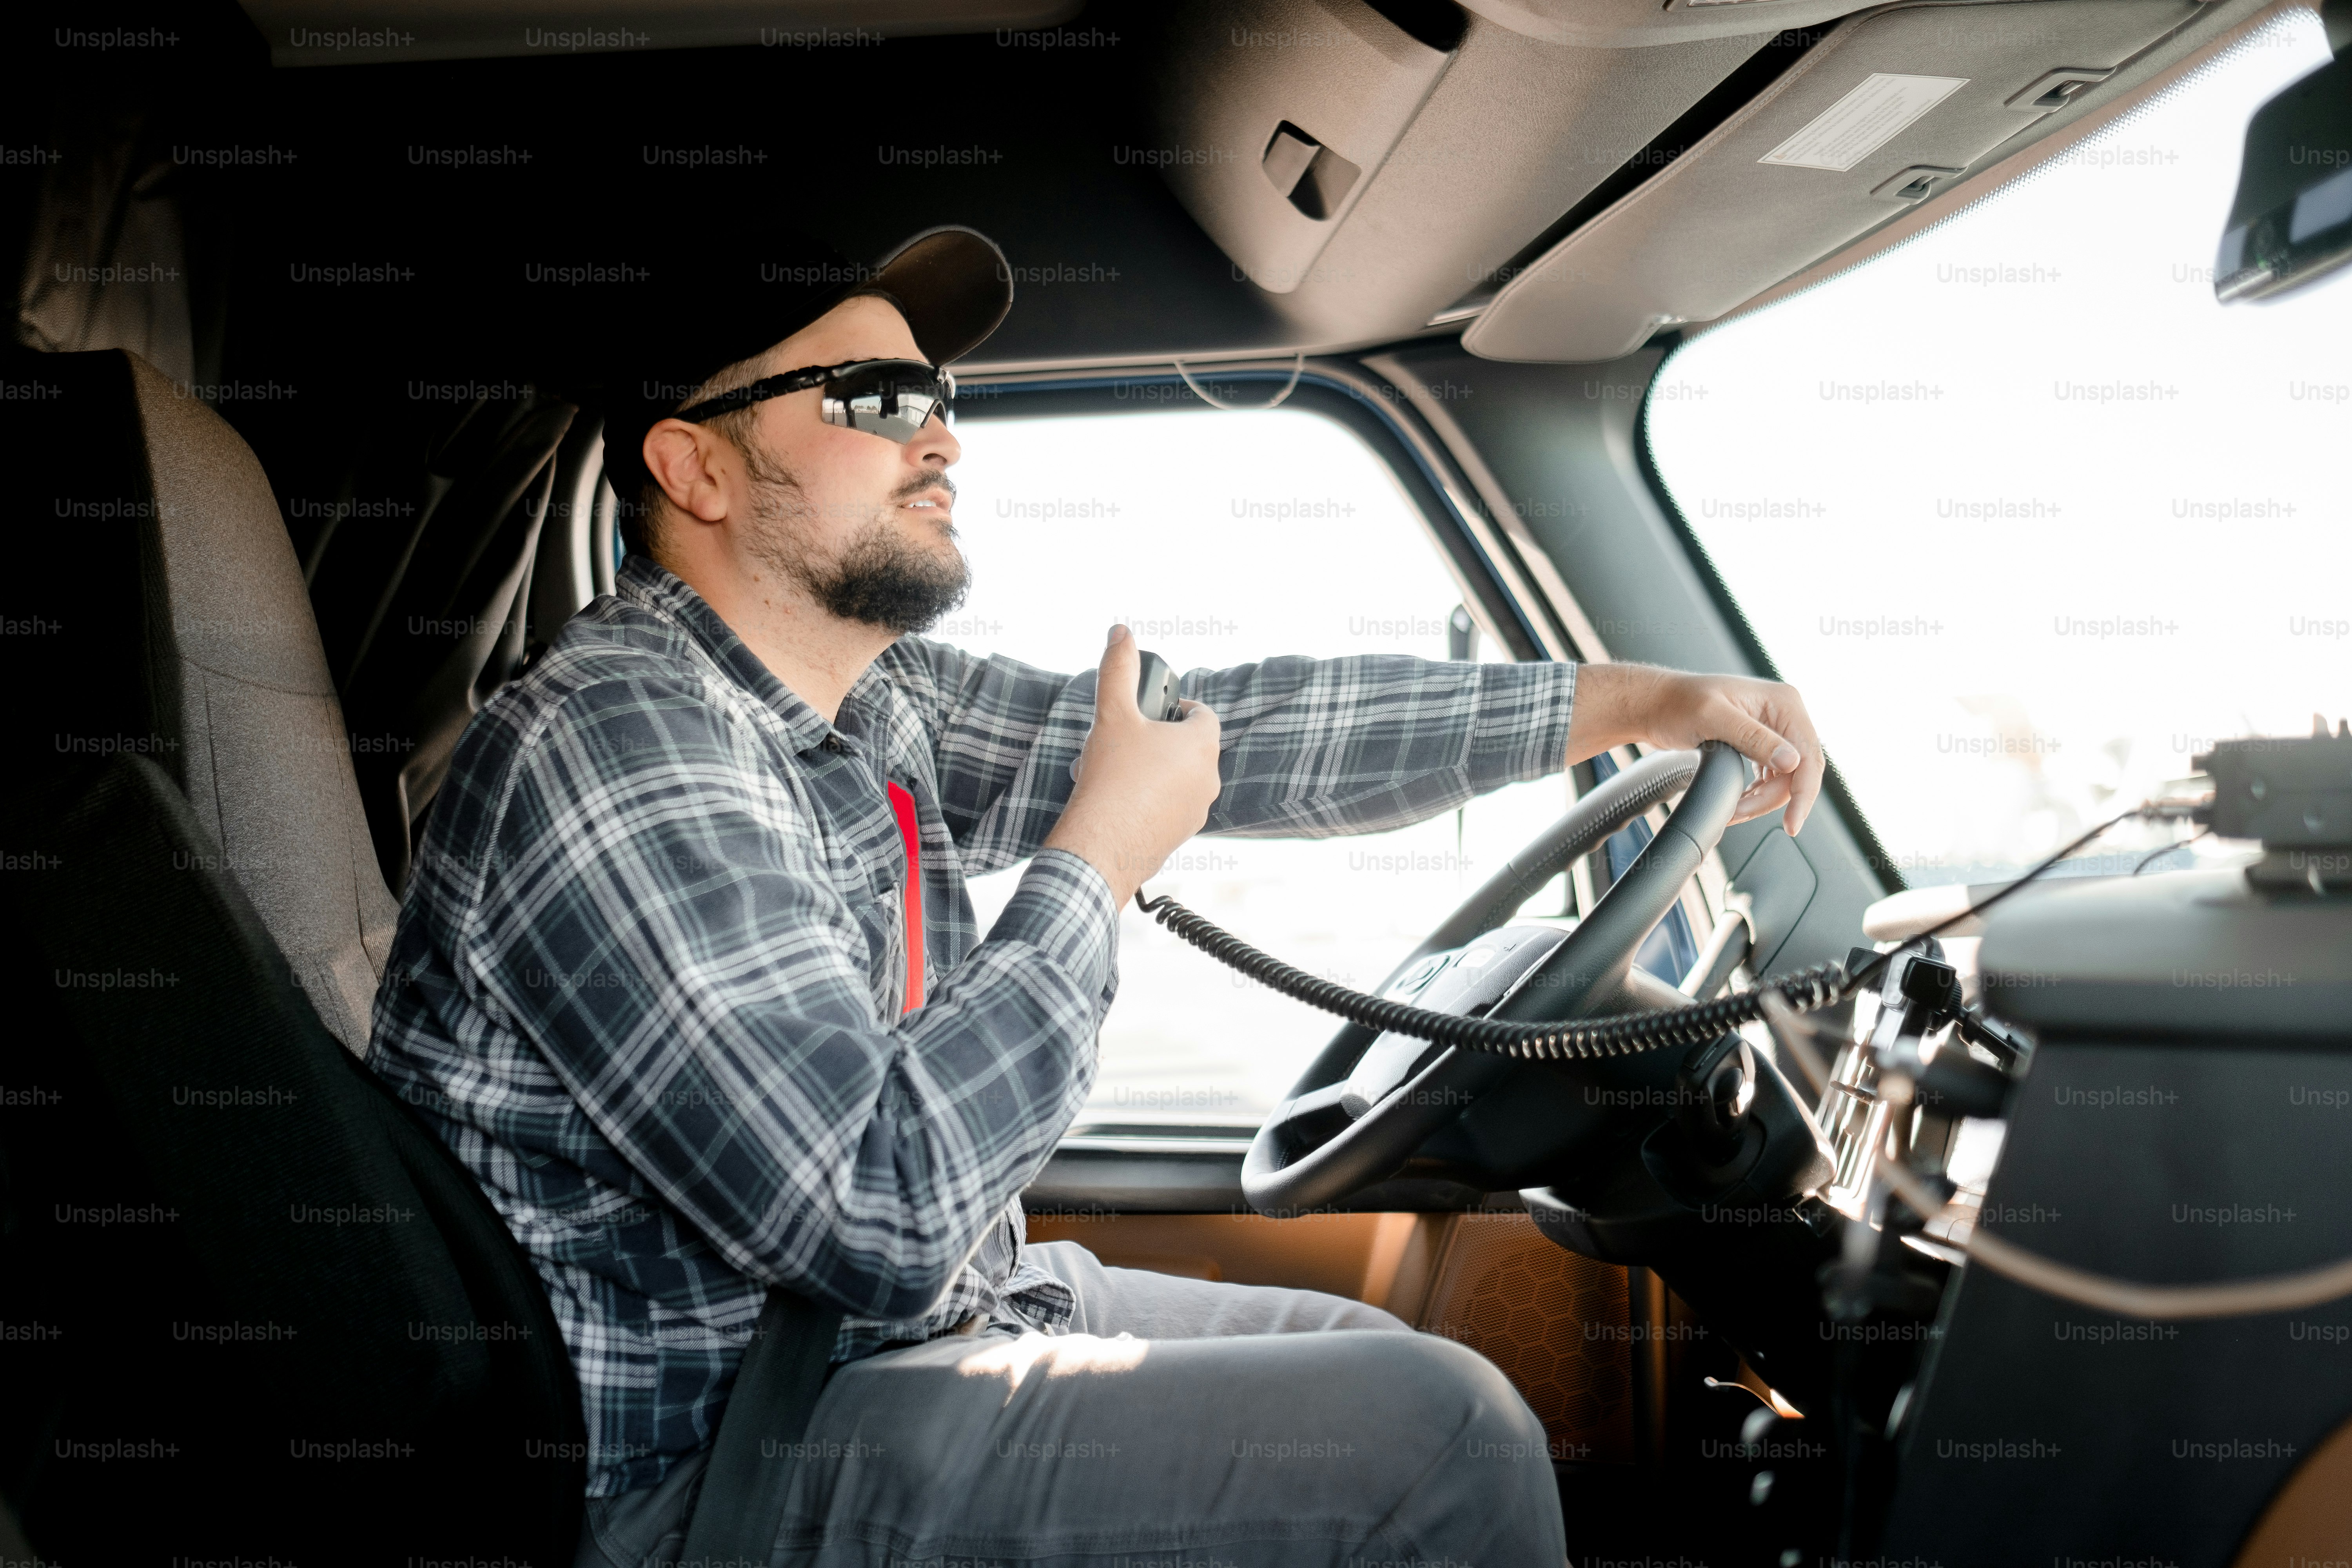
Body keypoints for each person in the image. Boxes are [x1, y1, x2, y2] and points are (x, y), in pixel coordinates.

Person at [368, 225, 1825, 1568]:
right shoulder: (617, 746)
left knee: (1389, 1362)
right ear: (695, 470)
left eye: (938, 396)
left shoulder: (872, 703)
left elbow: (1232, 739)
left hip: (886, 1346)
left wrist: (1634, 700)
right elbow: (873, 1210)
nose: (940, 434)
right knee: (1442, 1441)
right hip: (713, 1470)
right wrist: (1094, 867)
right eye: (874, 399)